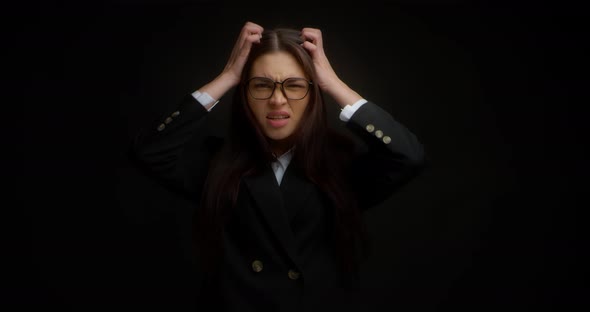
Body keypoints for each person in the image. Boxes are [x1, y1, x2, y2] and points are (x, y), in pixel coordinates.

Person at [131, 21, 425, 312]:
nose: (277, 99)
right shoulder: (217, 164)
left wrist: (332, 84)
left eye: (295, 85)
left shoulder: (340, 167)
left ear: (313, 95)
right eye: (262, 85)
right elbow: (150, 152)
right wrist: (229, 76)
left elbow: (408, 156)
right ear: (244, 94)